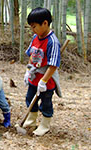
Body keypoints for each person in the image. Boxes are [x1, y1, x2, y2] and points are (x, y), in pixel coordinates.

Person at [23, 7, 62, 136]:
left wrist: (43, 81)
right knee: (30, 98)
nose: (33, 30)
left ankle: (44, 125)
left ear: (45, 23)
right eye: (31, 27)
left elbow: (53, 65)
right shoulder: (35, 37)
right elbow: (31, 54)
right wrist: (28, 70)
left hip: (47, 80)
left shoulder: (52, 42)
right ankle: (31, 120)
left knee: (45, 102)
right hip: (34, 76)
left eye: (34, 26)